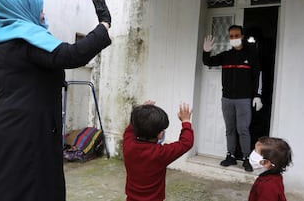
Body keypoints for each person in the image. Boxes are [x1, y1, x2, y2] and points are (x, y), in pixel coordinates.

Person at [0, 0, 111, 201]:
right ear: (22, 10)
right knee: (31, 191)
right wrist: (104, 24)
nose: (42, 14)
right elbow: (72, 55)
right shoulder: (27, 39)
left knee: (3, 190)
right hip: (23, 134)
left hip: (1, 131)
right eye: (39, 9)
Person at [202, 25, 263, 172]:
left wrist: (257, 95)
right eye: (231, 36)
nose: (234, 38)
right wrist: (206, 51)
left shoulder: (251, 55)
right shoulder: (226, 56)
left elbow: (258, 76)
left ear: (242, 36)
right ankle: (231, 156)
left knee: (243, 129)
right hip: (227, 99)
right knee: (230, 129)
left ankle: (247, 158)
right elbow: (208, 62)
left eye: (236, 35)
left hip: (244, 99)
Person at [123, 101, 194, 201]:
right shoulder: (160, 154)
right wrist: (186, 121)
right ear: (160, 134)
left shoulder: (128, 145)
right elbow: (186, 143)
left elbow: (130, 129)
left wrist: (142, 115)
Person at [248, 136, 293, 201]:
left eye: (255, 151)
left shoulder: (268, 187)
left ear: (266, 163)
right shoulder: (273, 177)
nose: (252, 153)